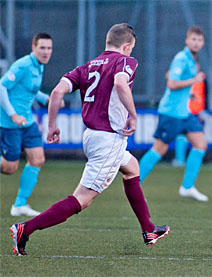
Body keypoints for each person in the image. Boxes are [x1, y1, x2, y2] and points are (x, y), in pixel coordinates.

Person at [9, 23, 169, 256]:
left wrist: (52, 126)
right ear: (126, 46)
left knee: (132, 168)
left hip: (92, 136)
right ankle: (25, 229)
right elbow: (120, 83)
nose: (132, 53)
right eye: (131, 48)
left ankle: (148, 229)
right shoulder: (125, 62)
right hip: (108, 139)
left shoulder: (88, 66)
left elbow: (56, 93)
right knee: (81, 200)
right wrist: (133, 116)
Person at [139, 26, 208, 202]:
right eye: (193, 39)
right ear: (187, 41)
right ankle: (134, 187)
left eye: (199, 40)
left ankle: (187, 187)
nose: (196, 42)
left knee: (200, 144)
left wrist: (188, 92)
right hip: (170, 113)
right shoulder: (182, 57)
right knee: (159, 149)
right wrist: (194, 81)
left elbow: (171, 76)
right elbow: (171, 83)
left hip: (183, 113)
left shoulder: (191, 60)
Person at [0, 33, 55, 217]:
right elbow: (2, 87)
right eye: (42, 48)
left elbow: (29, 89)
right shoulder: (23, 65)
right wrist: (12, 114)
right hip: (10, 123)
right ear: (34, 47)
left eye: (49, 48)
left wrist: (46, 99)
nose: (46, 52)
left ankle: (19, 205)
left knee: (38, 159)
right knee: (9, 168)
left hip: (27, 122)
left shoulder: (39, 66)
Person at [172, 62, 209, 167]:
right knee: (181, 135)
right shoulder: (183, 79)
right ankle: (180, 160)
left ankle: (195, 162)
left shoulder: (203, 79)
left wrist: (205, 110)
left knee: (198, 139)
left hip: (197, 113)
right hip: (185, 112)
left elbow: (206, 95)